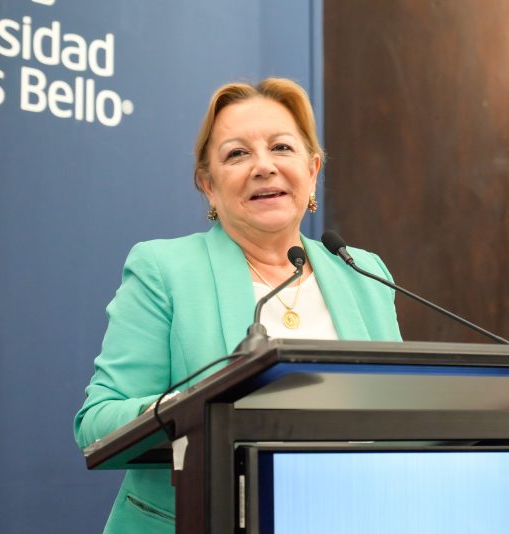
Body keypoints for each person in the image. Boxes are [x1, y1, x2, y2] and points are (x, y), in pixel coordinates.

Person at [73, 78, 401, 533]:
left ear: (312, 171)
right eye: (237, 154)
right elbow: (98, 424)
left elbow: (399, 413)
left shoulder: (362, 272)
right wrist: (201, 408)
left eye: (281, 147)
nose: (264, 166)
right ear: (208, 185)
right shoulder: (164, 270)